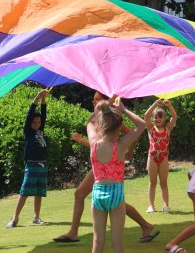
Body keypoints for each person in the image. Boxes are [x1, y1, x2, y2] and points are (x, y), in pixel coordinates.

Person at [53, 91, 158, 243]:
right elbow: (97, 146)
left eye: (96, 100)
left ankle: (74, 232)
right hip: (101, 166)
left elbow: (130, 133)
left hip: (111, 166)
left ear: (106, 100)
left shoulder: (111, 118)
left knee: (91, 196)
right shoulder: (100, 118)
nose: (93, 102)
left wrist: (128, 152)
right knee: (91, 196)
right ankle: (145, 225)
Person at [88, 95, 146, 253]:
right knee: (117, 240)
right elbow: (142, 125)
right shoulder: (120, 145)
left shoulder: (94, 142)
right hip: (116, 193)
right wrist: (123, 109)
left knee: (98, 239)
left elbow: (89, 122)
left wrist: (101, 109)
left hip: (97, 192)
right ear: (119, 127)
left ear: (101, 124)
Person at [7, 88, 50, 228]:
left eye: (38, 122)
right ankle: (14, 218)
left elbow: (43, 114)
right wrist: (37, 98)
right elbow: (30, 113)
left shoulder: (40, 130)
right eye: (34, 122)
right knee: (24, 192)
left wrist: (44, 99)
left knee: (39, 192)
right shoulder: (28, 131)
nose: (37, 124)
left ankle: (36, 217)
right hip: (31, 165)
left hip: (42, 164)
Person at [144, 99, 177, 213]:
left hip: (164, 158)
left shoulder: (167, 129)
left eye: (159, 117)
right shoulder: (151, 128)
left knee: (164, 183)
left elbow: (174, 116)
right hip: (152, 158)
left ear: (164, 119)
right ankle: (151, 206)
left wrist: (169, 105)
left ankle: (166, 206)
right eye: (155, 117)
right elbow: (146, 115)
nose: (157, 119)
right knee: (152, 182)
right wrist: (155, 104)